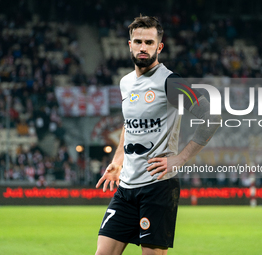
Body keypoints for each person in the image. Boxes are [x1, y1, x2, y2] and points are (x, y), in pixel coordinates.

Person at [95, 15, 221, 255]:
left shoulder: (170, 82)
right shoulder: (125, 83)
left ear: (159, 47)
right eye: (139, 41)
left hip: (158, 186)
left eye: (149, 43)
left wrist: (180, 158)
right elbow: (128, 124)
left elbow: (212, 116)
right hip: (126, 187)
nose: (143, 47)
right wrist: (117, 161)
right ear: (129, 44)